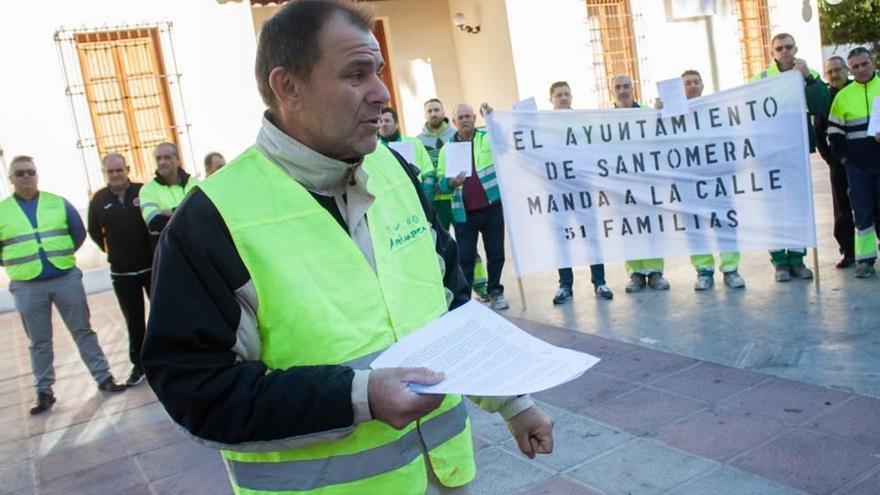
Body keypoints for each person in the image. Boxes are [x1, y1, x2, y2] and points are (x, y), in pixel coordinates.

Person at [141, 2, 553, 494]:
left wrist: (513, 401)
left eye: (377, 72)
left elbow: (451, 307)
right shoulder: (211, 220)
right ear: (287, 87)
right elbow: (197, 391)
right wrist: (360, 396)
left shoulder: (395, 173)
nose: (382, 93)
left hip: (446, 479)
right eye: (356, 74)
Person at [1, 156, 125, 415]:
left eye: (30, 172)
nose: (26, 177)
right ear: (10, 178)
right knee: (39, 341)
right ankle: (44, 391)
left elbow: (78, 233)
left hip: (64, 277)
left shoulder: (57, 203)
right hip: (27, 284)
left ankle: (104, 377)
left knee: (83, 330)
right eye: (20, 173)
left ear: (37, 175)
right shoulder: (3, 211)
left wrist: (61, 255)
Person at [753, 33, 830, 282]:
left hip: (796, 152)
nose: (784, 51)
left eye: (788, 47)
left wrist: (808, 78)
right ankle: (780, 262)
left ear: (795, 48)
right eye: (779, 48)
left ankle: (797, 258)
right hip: (770, 154)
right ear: (772, 52)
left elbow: (821, 105)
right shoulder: (761, 78)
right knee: (775, 209)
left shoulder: (808, 74)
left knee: (798, 206)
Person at [87, 154, 153, 386]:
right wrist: (113, 252)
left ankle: (169, 357)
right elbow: (94, 232)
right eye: (110, 172)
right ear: (105, 174)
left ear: (127, 169)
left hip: (151, 267)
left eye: (119, 170)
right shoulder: (99, 199)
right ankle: (140, 364)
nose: (115, 175)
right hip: (122, 273)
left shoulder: (143, 191)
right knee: (134, 320)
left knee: (162, 314)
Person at [438, 103, 510, 310]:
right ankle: (465, 302)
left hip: (491, 207)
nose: (465, 120)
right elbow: (441, 183)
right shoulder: (447, 150)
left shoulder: (488, 138)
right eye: (460, 117)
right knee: (465, 259)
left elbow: (505, 147)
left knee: (496, 253)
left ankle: (496, 291)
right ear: (453, 122)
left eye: (468, 116)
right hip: (464, 213)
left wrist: (492, 118)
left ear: (475, 118)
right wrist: (451, 183)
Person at [417, 99, 491, 301]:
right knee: (441, 247)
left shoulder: (455, 135)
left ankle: (480, 285)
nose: (433, 114)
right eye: (430, 111)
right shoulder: (418, 141)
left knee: (468, 246)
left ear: (444, 113)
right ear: (426, 115)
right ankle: (449, 289)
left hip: (457, 200)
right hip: (436, 201)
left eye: (436, 110)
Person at [680, 70, 747, 290]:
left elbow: (729, 140)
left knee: (725, 224)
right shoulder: (673, 114)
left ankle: (730, 269)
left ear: (702, 85)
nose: (692, 86)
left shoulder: (716, 109)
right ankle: (704, 270)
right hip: (688, 182)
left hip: (718, 179)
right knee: (695, 227)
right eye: (687, 83)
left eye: (695, 82)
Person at [547, 81, 613, 303]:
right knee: (562, 239)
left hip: (583, 189)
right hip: (557, 192)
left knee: (592, 237)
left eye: (566, 94)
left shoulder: (583, 122)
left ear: (572, 97)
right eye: (559, 95)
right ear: (551, 100)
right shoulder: (542, 126)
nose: (563, 98)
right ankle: (565, 286)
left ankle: (600, 282)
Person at [611, 74, 670, 292]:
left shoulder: (647, 112)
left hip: (648, 183)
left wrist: (660, 113)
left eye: (626, 86)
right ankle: (635, 273)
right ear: (612, 92)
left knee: (652, 227)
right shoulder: (602, 118)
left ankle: (655, 272)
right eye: (618, 87)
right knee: (630, 230)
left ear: (633, 89)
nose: (622, 90)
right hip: (622, 184)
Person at [827, 47, 880, 278]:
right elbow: (834, 134)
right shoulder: (842, 97)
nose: (860, 70)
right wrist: (846, 161)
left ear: (873, 63)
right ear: (850, 70)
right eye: (855, 66)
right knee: (863, 213)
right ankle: (866, 260)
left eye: (864, 64)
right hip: (857, 167)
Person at [138, 142, 199, 249]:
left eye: (167, 157)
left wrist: (171, 211)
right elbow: (154, 223)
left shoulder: (195, 184)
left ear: (178, 160)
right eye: (158, 158)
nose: (162, 162)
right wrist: (190, 217)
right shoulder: (147, 190)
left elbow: (205, 214)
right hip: (169, 253)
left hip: (199, 247)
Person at [378, 107, 433, 175]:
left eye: (387, 121)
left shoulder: (415, 143)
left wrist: (427, 184)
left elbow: (428, 170)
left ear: (396, 124)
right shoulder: (374, 149)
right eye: (380, 121)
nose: (383, 124)